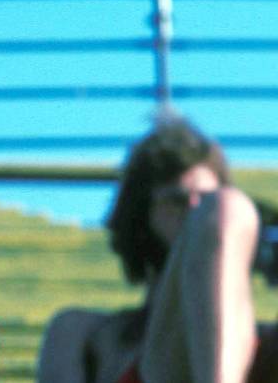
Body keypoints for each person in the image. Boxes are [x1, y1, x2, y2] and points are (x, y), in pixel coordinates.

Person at [37, 117, 278, 383]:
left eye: (205, 198)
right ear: (142, 215)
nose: (195, 212)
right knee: (226, 207)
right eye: (177, 200)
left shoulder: (260, 342)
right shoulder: (83, 331)